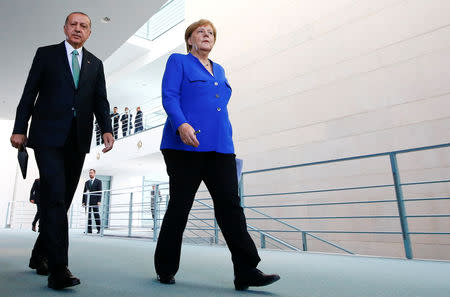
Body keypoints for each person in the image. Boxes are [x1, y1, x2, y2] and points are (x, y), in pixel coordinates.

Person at [154, 19, 280, 291]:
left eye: (210, 33)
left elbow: (219, 103)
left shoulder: (219, 69)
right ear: (190, 39)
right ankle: (165, 267)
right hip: (185, 145)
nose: (206, 35)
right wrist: (181, 123)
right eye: (200, 31)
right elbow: (169, 96)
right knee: (180, 206)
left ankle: (246, 270)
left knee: (231, 207)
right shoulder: (178, 61)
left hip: (221, 146)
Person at [10, 12, 114, 290]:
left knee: (62, 200)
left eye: (84, 26)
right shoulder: (46, 54)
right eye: (73, 24)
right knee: (55, 197)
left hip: (77, 140)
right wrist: (20, 127)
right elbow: (28, 93)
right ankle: (59, 270)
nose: (78, 29)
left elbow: (100, 100)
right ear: (65, 28)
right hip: (47, 138)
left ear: (90, 33)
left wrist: (106, 128)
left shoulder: (95, 64)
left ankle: (38, 255)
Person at [82, 169, 102, 234]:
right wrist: (83, 201)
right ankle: (89, 230)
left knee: (96, 215)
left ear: (94, 173)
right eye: (89, 173)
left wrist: (99, 201)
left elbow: (100, 192)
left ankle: (99, 229)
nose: (90, 174)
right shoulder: (86, 182)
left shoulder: (98, 181)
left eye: (91, 173)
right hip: (87, 201)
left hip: (95, 201)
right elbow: (84, 192)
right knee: (88, 216)